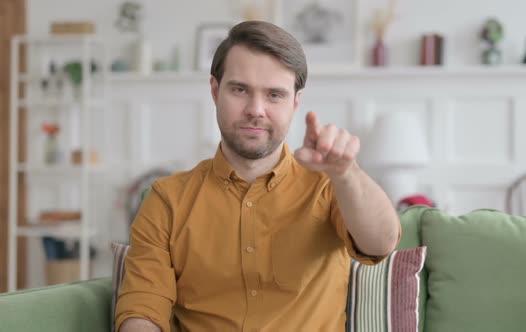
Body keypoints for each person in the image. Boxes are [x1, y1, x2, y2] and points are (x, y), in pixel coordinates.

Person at [116, 20, 400, 332]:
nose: (256, 109)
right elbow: (143, 308)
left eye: (274, 95)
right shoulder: (166, 199)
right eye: (240, 90)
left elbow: (380, 243)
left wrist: (345, 171)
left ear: (295, 102)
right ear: (215, 90)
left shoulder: (330, 186)